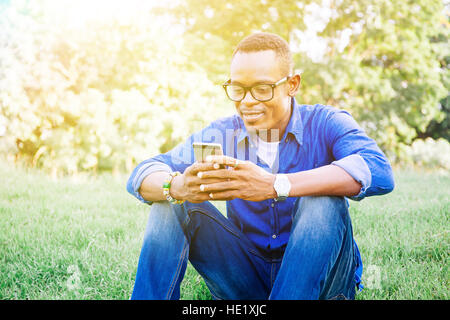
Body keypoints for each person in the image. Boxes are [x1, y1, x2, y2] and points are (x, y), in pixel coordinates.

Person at [126, 32, 394, 300]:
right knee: (171, 199)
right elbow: (144, 172)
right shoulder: (223, 133)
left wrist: (275, 185)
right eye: (238, 89)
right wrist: (177, 185)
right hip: (247, 278)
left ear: (292, 84)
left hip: (322, 282)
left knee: (322, 201)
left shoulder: (325, 122)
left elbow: (378, 169)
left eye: (262, 89)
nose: (247, 101)